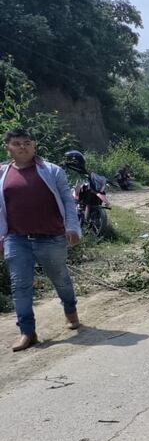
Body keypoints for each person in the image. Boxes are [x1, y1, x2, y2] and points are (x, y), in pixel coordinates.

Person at [0, 128, 82, 352]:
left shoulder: (51, 171)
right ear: (8, 147)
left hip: (51, 237)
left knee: (60, 278)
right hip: (16, 239)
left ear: (34, 146)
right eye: (17, 143)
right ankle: (27, 332)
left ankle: (71, 311)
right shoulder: (2, 173)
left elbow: (67, 200)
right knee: (20, 286)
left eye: (27, 142)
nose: (23, 147)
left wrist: (72, 227)